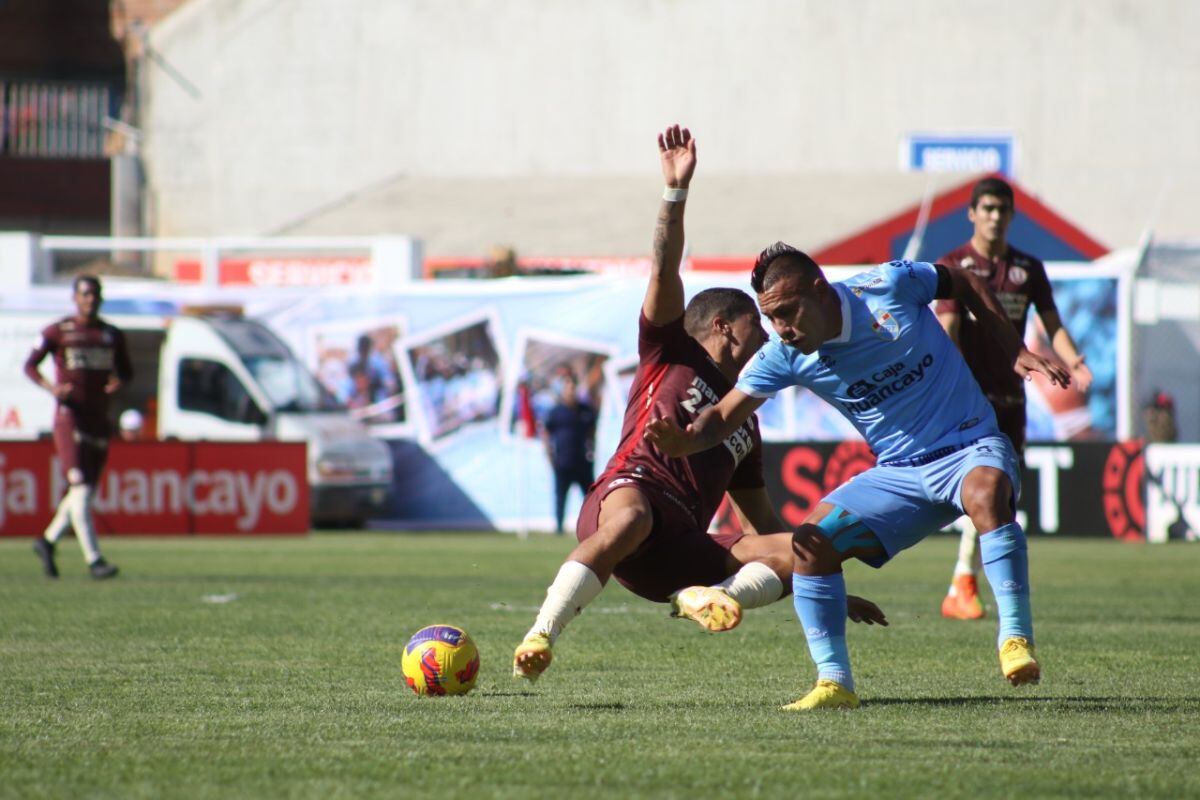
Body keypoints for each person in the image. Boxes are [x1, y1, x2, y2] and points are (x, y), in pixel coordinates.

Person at [512, 126, 887, 682]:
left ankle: (702, 595)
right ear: (722, 327)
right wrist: (675, 192)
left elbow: (761, 526)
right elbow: (664, 267)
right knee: (635, 517)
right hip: (626, 503)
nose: (768, 335)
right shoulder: (669, 349)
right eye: (755, 325)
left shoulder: (743, 419)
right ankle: (539, 636)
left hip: (683, 551)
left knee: (810, 542)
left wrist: (824, 581)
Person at [645, 242, 1071, 710]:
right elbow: (723, 417)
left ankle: (1014, 638)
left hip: (969, 444)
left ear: (819, 289)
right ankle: (834, 684)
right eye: (772, 320)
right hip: (897, 474)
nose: (781, 330)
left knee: (986, 492)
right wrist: (687, 440)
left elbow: (965, 281)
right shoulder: (784, 356)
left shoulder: (888, 286)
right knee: (809, 545)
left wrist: (1015, 348)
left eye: (788, 313)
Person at [935, 177, 1094, 620]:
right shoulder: (953, 265)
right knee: (983, 488)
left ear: (1011, 215)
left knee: (1002, 494)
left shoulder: (1028, 268)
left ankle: (963, 584)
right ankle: (964, 582)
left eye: (1001, 209)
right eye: (986, 208)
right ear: (971, 213)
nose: (994, 216)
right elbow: (947, 329)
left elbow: (1052, 323)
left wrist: (1074, 360)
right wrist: (949, 381)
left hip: (1012, 395)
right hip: (969, 398)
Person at [25, 275, 132, 580]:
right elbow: (30, 365)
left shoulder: (110, 334)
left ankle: (46, 541)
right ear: (75, 297)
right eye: (85, 294)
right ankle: (94, 560)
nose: (90, 299)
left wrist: (118, 383)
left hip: (98, 420)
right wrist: (52, 388)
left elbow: (126, 371)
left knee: (82, 492)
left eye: (95, 294)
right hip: (69, 418)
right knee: (81, 488)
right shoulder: (60, 331)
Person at [541, 370, 598, 534]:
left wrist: (592, 452)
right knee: (560, 498)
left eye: (573, 386)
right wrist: (550, 456)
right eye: (567, 386)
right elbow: (546, 434)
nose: (571, 390)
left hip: (582, 462)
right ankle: (559, 528)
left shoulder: (586, 410)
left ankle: (593, 527)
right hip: (563, 463)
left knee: (590, 499)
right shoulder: (556, 412)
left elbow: (592, 433)